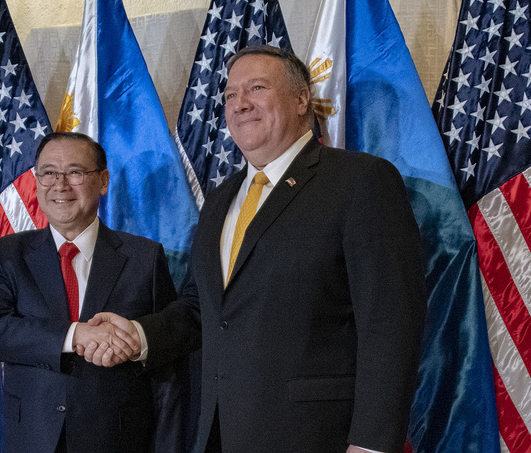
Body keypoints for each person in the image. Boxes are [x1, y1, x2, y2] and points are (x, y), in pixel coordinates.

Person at [86, 46, 427, 453]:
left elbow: (390, 323)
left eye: (257, 88)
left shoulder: (360, 181)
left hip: (317, 437)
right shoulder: (220, 199)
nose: (240, 104)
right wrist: (139, 335)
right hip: (219, 434)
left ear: (301, 99)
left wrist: (372, 445)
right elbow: (202, 308)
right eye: (230, 95)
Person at [0, 132, 181, 453]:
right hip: (32, 438)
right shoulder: (8, 253)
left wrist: (135, 344)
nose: (60, 185)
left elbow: (168, 351)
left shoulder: (145, 257)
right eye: (49, 173)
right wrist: (75, 335)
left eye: (75, 172)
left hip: (118, 440)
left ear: (103, 181)